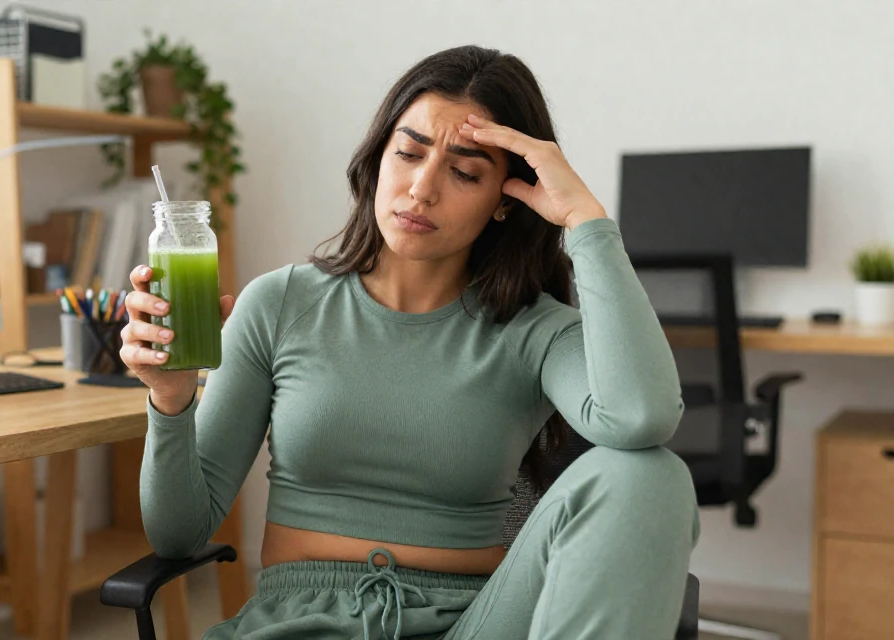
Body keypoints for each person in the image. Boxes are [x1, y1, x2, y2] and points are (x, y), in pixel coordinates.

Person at [120, 45, 699, 640]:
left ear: (506, 198)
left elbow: (640, 418)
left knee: (650, 476)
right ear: (378, 158)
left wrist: (585, 222)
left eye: (466, 172)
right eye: (409, 152)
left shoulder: (537, 331)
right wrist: (170, 399)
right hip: (300, 623)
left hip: (476, 624)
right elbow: (179, 535)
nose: (422, 189)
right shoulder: (279, 305)